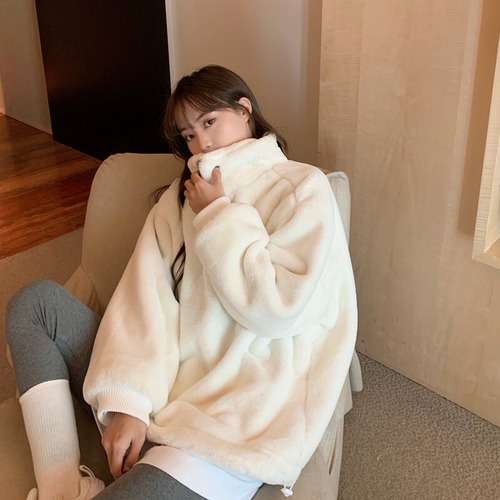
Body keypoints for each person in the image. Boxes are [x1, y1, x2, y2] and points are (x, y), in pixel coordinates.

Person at [6, 65, 357, 500]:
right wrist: (129, 403)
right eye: (189, 134)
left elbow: (278, 309)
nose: (202, 143)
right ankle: (64, 489)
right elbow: (143, 300)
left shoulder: (302, 187)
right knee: (36, 304)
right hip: (163, 383)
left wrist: (218, 215)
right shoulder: (178, 199)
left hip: (234, 412)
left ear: (244, 109)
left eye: (209, 122)